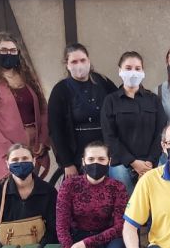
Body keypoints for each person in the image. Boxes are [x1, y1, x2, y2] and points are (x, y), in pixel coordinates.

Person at [0, 32, 50, 186]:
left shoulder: (26, 75)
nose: (9, 54)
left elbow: (43, 107)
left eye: (13, 51)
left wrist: (42, 139)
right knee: (8, 192)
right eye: (3, 50)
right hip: (4, 147)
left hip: (33, 146)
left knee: (31, 190)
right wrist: (5, 148)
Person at [55, 141, 130, 248]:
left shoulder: (118, 187)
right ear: (83, 161)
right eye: (91, 159)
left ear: (109, 161)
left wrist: (87, 243)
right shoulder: (69, 185)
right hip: (77, 242)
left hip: (106, 239)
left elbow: (119, 227)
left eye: (101, 159)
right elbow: (61, 226)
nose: (96, 163)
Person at [48, 43, 118, 178]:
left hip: (107, 152)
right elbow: (56, 130)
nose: (79, 65)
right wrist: (67, 163)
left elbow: (119, 106)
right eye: (74, 61)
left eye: (82, 60)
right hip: (76, 154)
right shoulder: (60, 90)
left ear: (89, 61)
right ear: (67, 65)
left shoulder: (103, 82)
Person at [101, 51, 167, 194]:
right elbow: (109, 136)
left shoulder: (153, 99)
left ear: (143, 71)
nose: (133, 72)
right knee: (127, 207)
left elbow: (161, 132)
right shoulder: (110, 101)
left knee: (156, 206)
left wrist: (150, 161)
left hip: (152, 163)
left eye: (137, 69)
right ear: (120, 71)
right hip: (121, 164)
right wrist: (133, 162)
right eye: (128, 68)